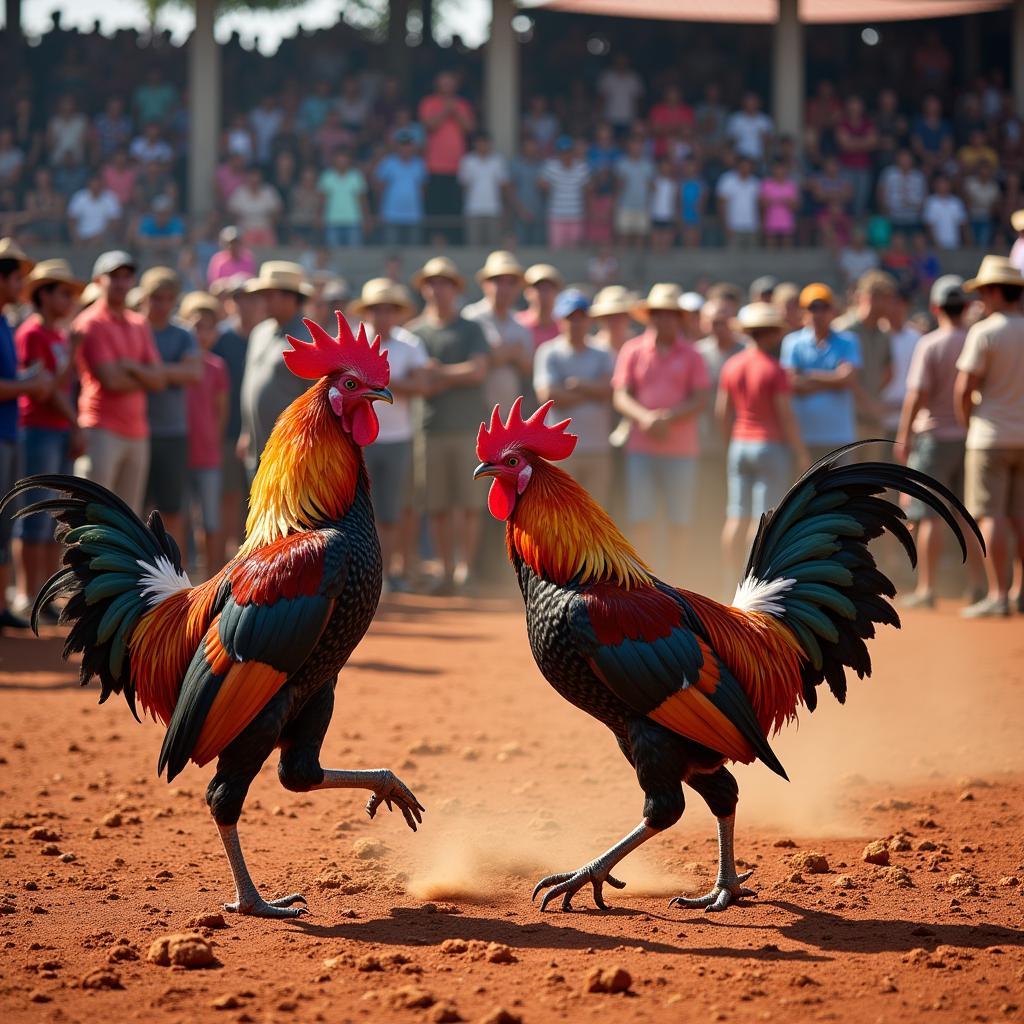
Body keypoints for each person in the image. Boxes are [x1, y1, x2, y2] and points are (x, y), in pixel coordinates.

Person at [896, 276, 983, 608]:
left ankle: (927, 589)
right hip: (969, 437)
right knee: (970, 516)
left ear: (935, 308)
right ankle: (978, 585)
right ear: (963, 306)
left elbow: (916, 394)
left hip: (933, 438)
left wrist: (903, 436)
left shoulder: (929, 344)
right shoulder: (973, 340)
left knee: (929, 515)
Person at [612, 283, 710, 572]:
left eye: (668, 313)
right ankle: (644, 577)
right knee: (640, 516)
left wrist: (666, 418)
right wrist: (645, 417)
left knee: (680, 518)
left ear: (678, 318)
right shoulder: (633, 350)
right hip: (641, 446)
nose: (662, 319)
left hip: (680, 448)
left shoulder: (692, 354)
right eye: (657, 313)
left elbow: (701, 398)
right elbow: (620, 394)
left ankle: (677, 576)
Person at [407, 256, 490, 595]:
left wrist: (438, 373)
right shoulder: (414, 332)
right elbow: (416, 379)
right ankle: (444, 570)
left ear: (455, 288)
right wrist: (453, 375)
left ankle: (465, 572)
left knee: (469, 504)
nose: (437, 288)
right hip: (430, 427)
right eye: (432, 282)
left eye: (444, 282)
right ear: (424, 287)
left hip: (468, 427)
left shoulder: (471, 328)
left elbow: (478, 371)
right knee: (437, 505)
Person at [717, 302, 809, 587]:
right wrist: (801, 452)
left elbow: (722, 411)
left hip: (739, 443)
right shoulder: (774, 369)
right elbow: (786, 415)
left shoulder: (732, 365)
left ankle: (729, 579)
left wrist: (729, 442)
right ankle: (750, 582)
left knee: (736, 516)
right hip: (769, 446)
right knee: (761, 519)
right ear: (770, 334)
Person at [348, 278, 431, 592]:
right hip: (359, 440)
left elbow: (422, 385)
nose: (382, 315)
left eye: (388, 309)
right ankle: (367, 574)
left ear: (397, 312)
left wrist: (380, 381)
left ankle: (388, 572)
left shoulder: (410, 344)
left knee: (391, 509)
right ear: (367, 312)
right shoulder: (356, 344)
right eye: (376, 309)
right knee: (362, 510)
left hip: (398, 438)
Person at [13, 259, 84, 620]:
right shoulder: (33, 333)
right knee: (33, 515)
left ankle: (40, 594)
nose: (70, 299)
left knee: (49, 517)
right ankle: (27, 594)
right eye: (63, 292)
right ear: (44, 294)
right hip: (39, 428)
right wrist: (76, 423)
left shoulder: (56, 334)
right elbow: (47, 391)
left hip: (55, 430)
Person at [954, 256, 1024, 617]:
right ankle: (1020, 589)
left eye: (983, 291)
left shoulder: (985, 332)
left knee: (990, 515)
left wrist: (968, 422)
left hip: (989, 436)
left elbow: (964, 387)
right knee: (1019, 515)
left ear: (996, 292)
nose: (980, 298)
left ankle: (998, 594)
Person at [73, 250, 165, 516]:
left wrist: (131, 367)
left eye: (127, 276)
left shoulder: (139, 323)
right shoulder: (90, 323)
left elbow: (159, 380)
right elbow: (111, 380)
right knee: (93, 514)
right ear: (98, 280)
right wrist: (143, 375)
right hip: (100, 429)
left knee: (128, 518)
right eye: (115, 277)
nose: (122, 283)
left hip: (136, 431)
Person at [0, 241, 55, 630]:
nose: (22, 283)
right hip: (9, 433)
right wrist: (28, 386)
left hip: (10, 433)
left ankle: (3, 605)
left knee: (6, 525)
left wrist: (25, 383)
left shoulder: (5, 322)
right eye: (17, 277)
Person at [534, 289, 615, 506]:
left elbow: (609, 390)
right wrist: (592, 392)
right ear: (560, 320)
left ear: (588, 320)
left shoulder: (603, 351)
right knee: (560, 512)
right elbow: (548, 394)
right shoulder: (549, 351)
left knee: (595, 513)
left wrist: (578, 385)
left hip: (597, 447)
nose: (576, 323)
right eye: (570, 318)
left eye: (580, 318)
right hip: (561, 451)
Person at [140, 267, 202, 545]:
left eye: (168, 298)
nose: (162, 305)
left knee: (172, 508)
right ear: (145, 298)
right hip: (137, 430)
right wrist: (170, 372)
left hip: (173, 431)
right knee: (136, 508)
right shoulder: (135, 329)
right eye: (156, 298)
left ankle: (174, 572)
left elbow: (193, 373)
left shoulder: (183, 333)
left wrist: (148, 373)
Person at [238, 261, 314, 474]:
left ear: (291, 297)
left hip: (290, 455)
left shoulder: (309, 340)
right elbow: (250, 383)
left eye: (269, 295)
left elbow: (317, 402)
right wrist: (246, 432)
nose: (262, 301)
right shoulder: (260, 332)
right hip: (256, 448)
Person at [780, 283, 861, 464]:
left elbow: (848, 379)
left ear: (833, 310)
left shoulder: (848, 341)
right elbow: (791, 382)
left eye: (824, 307)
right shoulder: (792, 342)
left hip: (839, 436)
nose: (818, 313)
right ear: (803, 311)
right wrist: (833, 378)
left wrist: (807, 375)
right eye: (812, 307)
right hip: (805, 435)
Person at [212, 275, 264, 552]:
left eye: (253, 297)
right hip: (227, 430)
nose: (247, 304)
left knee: (256, 499)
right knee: (228, 497)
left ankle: (250, 556)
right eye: (240, 298)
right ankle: (227, 559)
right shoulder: (222, 338)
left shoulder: (266, 335)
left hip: (261, 432)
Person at [180, 292, 228, 574]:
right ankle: (181, 577)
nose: (202, 333)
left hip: (207, 454)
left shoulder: (217, 367)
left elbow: (221, 412)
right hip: (180, 453)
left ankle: (211, 576)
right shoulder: (180, 364)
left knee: (210, 520)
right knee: (180, 519)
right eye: (196, 325)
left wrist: (213, 441)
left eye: (208, 327)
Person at [836, 270, 897, 441]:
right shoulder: (843, 330)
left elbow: (889, 371)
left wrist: (873, 398)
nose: (887, 305)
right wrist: (869, 403)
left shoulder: (884, 333)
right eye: (882, 298)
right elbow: (844, 377)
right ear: (865, 297)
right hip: (847, 420)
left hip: (873, 419)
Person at [418, 73, 476, 244]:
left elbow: (469, 128)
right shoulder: (429, 103)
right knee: (435, 209)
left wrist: (456, 111)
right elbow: (429, 126)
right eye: (444, 83)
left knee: (455, 208)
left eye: (450, 83)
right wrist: (446, 110)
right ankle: (434, 244)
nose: (447, 87)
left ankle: (455, 243)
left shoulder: (463, 104)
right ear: (437, 85)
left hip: (458, 167)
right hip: (434, 166)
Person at [374, 130, 427, 246]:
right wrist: (380, 211)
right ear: (397, 146)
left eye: (408, 144)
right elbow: (379, 189)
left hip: (413, 214)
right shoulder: (388, 163)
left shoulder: (419, 164)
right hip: (391, 214)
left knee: (414, 251)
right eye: (402, 144)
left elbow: (422, 189)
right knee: (391, 250)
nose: (405, 148)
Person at [457, 132, 508, 247]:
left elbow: (503, 186)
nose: (483, 145)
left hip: (494, 210)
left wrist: (504, 208)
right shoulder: (468, 161)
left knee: (494, 247)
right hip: (473, 210)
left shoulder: (498, 161)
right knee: (473, 246)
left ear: (490, 144)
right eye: (480, 143)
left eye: (486, 143)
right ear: (475, 144)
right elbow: (464, 185)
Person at [540, 137, 590, 249]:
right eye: (562, 152)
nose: (565, 155)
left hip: (576, 215)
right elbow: (540, 183)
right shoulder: (551, 166)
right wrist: (548, 187)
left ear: (572, 152)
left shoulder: (581, 167)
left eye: (567, 151)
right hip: (556, 215)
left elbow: (587, 189)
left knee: (574, 250)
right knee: (556, 249)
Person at [317, 149, 368, 247]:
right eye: (339, 159)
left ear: (349, 160)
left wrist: (365, 219)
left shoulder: (356, 176)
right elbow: (322, 200)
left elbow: (362, 199)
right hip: (332, 221)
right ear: (334, 160)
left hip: (354, 221)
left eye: (344, 159)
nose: (342, 162)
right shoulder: (327, 176)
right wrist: (320, 217)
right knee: (334, 254)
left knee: (354, 254)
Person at [614, 136, 654, 249]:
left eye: (639, 146)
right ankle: (623, 264)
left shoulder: (648, 165)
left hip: (642, 206)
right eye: (634, 146)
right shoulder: (622, 164)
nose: (637, 148)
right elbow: (618, 186)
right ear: (629, 147)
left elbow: (652, 187)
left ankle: (637, 265)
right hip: (625, 205)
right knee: (623, 236)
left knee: (640, 237)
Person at [228, 165, 283, 247]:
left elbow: (278, 211)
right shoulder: (240, 192)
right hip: (245, 230)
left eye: (256, 177)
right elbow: (231, 211)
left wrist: (272, 217)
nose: (254, 180)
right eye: (251, 176)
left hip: (265, 230)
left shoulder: (269, 192)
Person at [716, 157, 761, 248]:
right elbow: (721, 205)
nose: (745, 168)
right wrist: (725, 225)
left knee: (754, 259)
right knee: (732, 259)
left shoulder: (755, 183)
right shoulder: (727, 180)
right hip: (733, 227)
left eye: (748, 166)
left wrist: (759, 225)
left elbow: (759, 206)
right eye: (743, 166)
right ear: (738, 166)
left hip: (752, 227)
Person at [516, 264, 563, 349]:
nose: (544, 293)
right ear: (527, 292)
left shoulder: (564, 328)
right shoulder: (517, 324)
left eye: (549, 287)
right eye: (539, 288)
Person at [67, 174, 122, 244]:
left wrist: (101, 236)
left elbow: (115, 222)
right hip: (81, 237)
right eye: (93, 186)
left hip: (103, 238)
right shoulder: (79, 197)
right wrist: (76, 236)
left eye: (98, 186)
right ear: (88, 185)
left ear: (102, 186)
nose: (95, 189)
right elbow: (71, 220)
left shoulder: (110, 198)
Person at [922, 174, 967, 250]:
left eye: (945, 184)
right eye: (940, 183)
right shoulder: (931, 202)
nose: (943, 186)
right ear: (936, 185)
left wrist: (966, 243)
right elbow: (929, 225)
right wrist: (935, 243)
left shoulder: (956, 202)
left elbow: (962, 224)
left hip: (955, 244)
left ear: (949, 185)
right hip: (937, 246)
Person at [589, 286, 637, 354]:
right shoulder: (592, 350)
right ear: (601, 319)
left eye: (619, 316)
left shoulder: (639, 348)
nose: (614, 321)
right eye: (609, 316)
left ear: (628, 316)